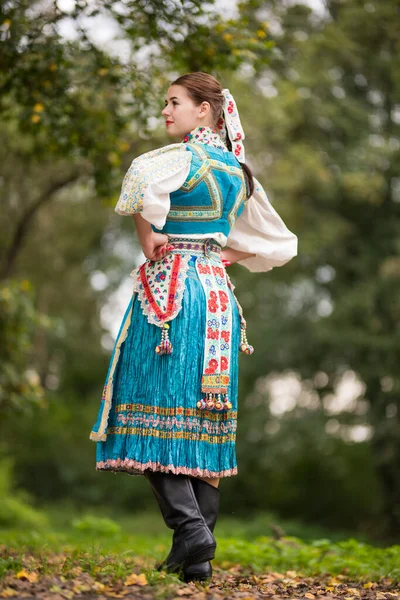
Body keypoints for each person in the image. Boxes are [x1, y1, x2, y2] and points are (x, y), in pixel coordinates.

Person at [89, 72, 297, 582]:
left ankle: (191, 532)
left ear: (204, 110)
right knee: (204, 419)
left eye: (174, 102)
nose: (166, 111)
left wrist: (149, 236)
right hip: (217, 299)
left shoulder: (178, 158)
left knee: (151, 404)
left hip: (172, 295)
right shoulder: (237, 171)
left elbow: (137, 179)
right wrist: (219, 252)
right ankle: (198, 556)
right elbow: (277, 243)